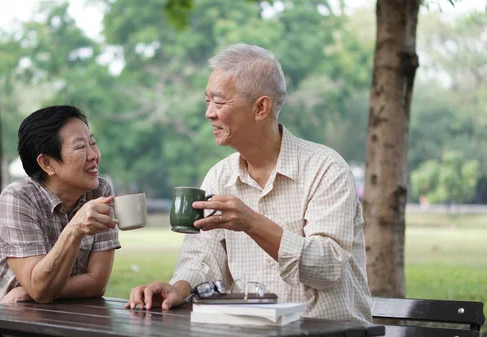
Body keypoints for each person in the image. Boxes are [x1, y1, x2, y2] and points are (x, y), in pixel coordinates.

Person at [126, 44, 372, 323]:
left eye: (219, 103)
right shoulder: (219, 177)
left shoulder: (326, 169)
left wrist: (252, 223)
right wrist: (177, 288)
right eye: (207, 101)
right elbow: (203, 259)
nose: (209, 113)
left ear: (260, 108)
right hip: (248, 329)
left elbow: (327, 266)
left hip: (327, 330)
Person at [0, 105, 120, 308]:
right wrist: (75, 229)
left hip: (50, 323)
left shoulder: (100, 192)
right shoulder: (18, 198)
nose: (93, 155)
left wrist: (28, 291)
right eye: (80, 147)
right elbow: (41, 290)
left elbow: (96, 283)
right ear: (47, 163)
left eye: (92, 143)